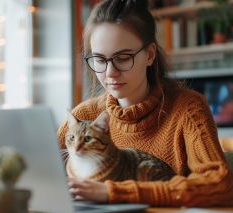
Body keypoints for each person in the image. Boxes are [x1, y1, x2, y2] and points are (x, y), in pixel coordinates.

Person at [57, 0, 233, 207]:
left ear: (149, 55)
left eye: (123, 58)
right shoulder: (85, 114)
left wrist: (115, 192)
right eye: (100, 59)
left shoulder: (188, 109)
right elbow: (39, 172)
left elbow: (220, 185)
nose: (110, 73)